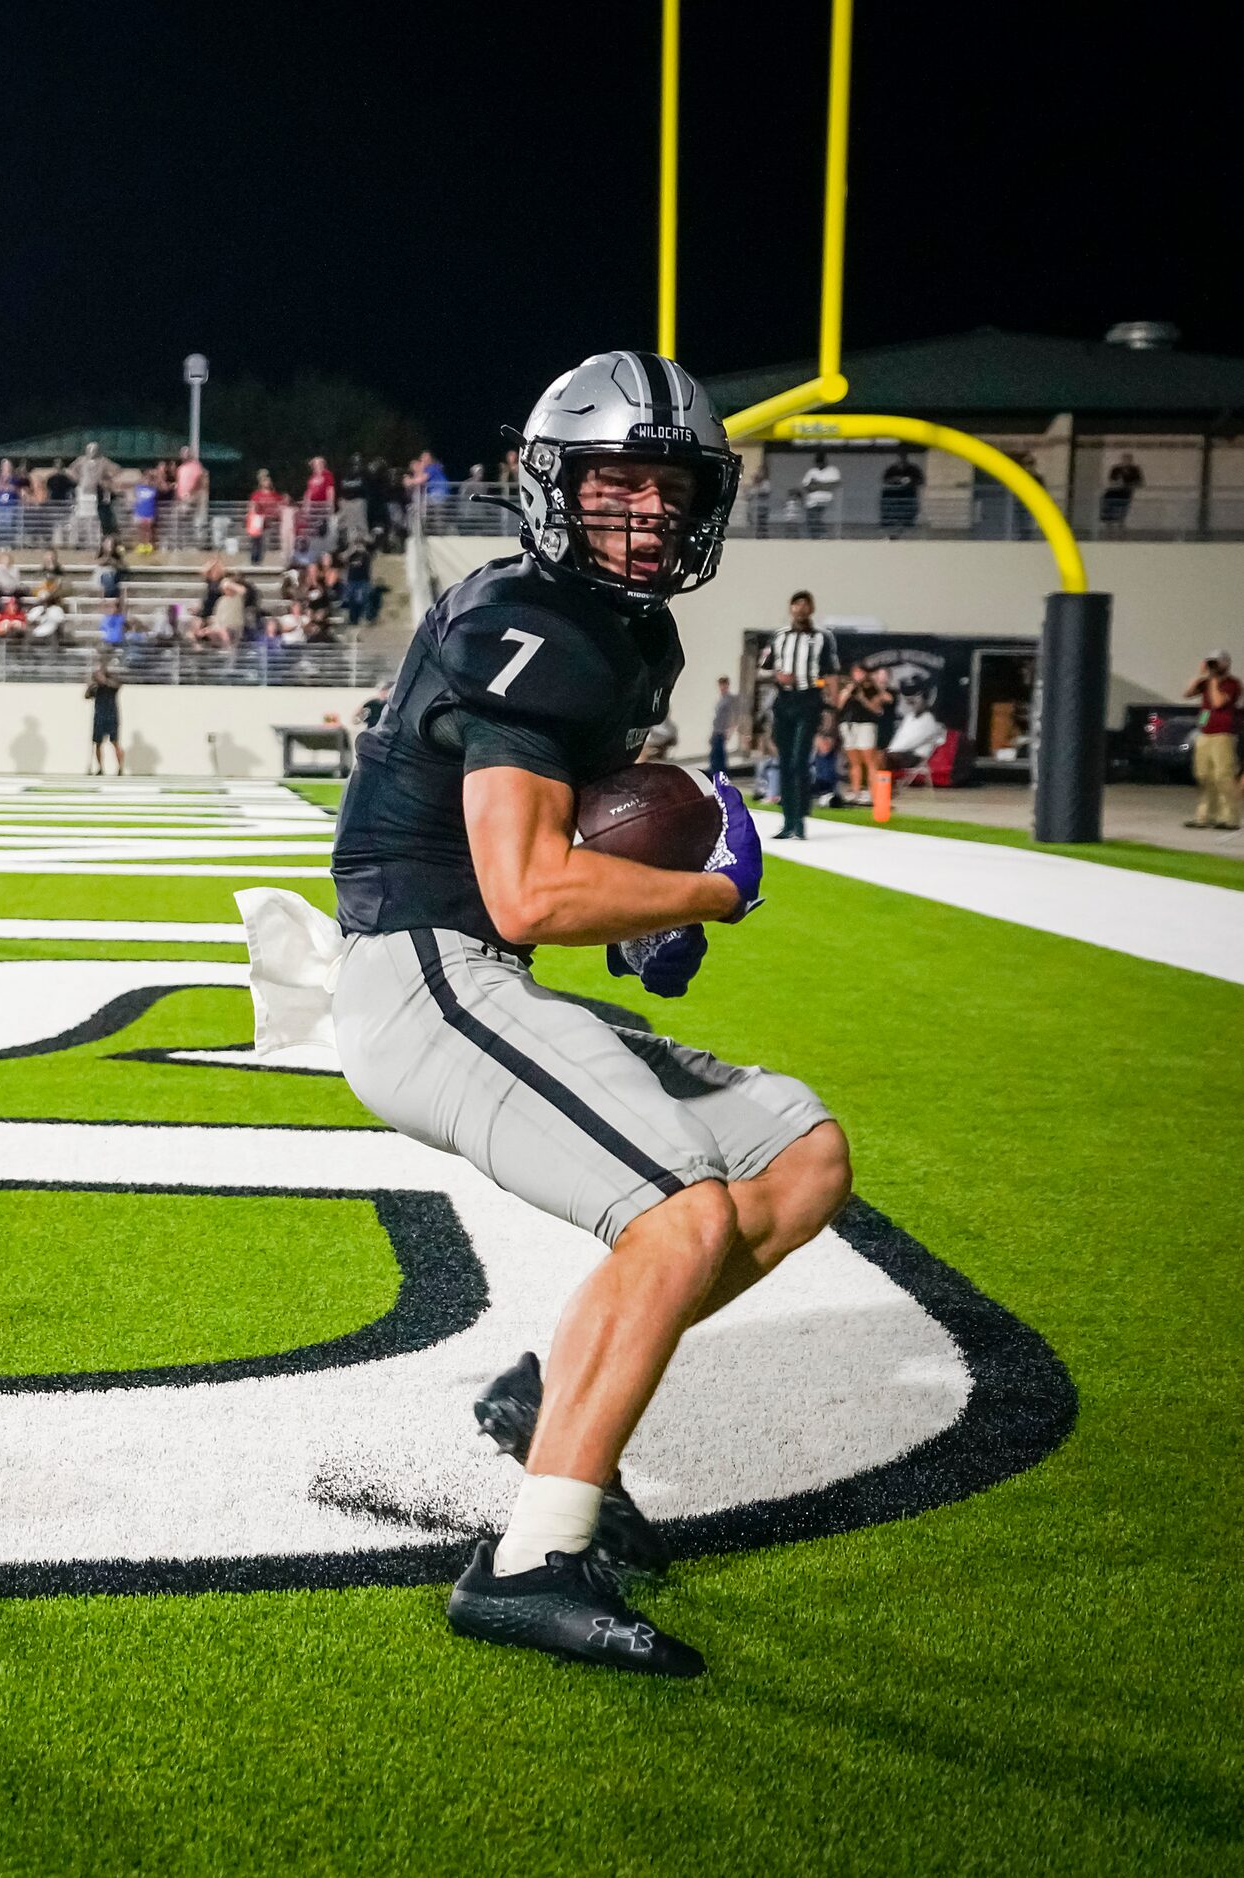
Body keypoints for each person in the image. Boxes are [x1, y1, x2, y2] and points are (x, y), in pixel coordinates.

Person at [327, 351, 847, 1677]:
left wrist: (646, 920)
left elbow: (576, 844)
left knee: (796, 1157)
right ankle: (528, 1559)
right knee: (681, 1212)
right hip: (424, 972)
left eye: (670, 490)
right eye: (615, 484)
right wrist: (705, 891)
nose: (646, 514)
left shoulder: (632, 634)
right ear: (554, 489)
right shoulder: (527, 624)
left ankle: (545, 1395)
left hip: (484, 966)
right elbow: (525, 885)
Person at [761, 590, 842, 839]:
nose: (800, 609)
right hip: (785, 700)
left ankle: (800, 819)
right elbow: (763, 669)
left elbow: (830, 674)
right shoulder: (779, 636)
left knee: (799, 760)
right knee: (785, 762)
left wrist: (832, 709)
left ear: (811, 609)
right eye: (796, 604)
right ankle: (788, 821)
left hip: (809, 699)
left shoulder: (821, 638)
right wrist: (778, 675)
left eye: (805, 605)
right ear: (790, 608)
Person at [1186, 651, 1240, 830]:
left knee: (1222, 776)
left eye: (1216, 663)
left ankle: (1229, 818)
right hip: (1205, 733)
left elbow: (1217, 702)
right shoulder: (1205, 682)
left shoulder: (1232, 684)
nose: (1213, 666)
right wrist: (1200, 676)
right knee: (1203, 775)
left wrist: (1214, 680)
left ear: (1226, 664)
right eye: (1211, 662)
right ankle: (1205, 816)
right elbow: (1187, 693)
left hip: (1223, 734)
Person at [837, 666, 889, 799]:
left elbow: (877, 708)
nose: (858, 675)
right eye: (855, 672)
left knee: (869, 760)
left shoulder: (870, 688)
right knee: (854, 762)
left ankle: (873, 793)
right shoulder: (847, 687)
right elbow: (839, 705)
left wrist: (862, 698)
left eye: (860, 672)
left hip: (865, 724)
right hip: (848, 725)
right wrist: (848, 690)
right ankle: (855, 792)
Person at [83, 651, 123, 775]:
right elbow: (87, 696)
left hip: (111, 714)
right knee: (97, 743)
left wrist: (104, 681)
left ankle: (120, 768)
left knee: (115, 742)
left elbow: (117, 686)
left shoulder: (112, 679)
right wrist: (91, 685)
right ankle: (100, 768)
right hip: (99, 714)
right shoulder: (96, 684)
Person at [877, 449, 923, 532]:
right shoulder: (892, 469)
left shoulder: (913, 468)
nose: (902, 459)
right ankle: (889, 521)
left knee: (908, 505)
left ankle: (907, 521)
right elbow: (885, 480)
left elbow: (920, 481)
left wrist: (910, 480)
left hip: (908, 492)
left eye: (903, 457)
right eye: (900, 457)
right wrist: (895, 479)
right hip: (894, 492)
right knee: (887, 499)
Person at [706, 674, 741, 778]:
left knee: (719, 756)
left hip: (722, 730)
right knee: (715, 755)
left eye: (724, 685)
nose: (722, 687)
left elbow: (734, 716)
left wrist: (730, 730)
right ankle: (716, 775)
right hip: (716, 730)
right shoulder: (721, 699)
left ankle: (720, 776)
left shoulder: (730, 699)